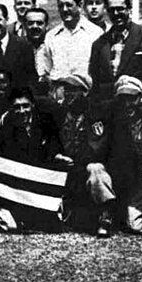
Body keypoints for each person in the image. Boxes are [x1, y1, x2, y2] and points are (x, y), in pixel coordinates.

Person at [49, 74, 114, 237]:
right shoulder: (60, 113)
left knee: (96, 169)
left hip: (83, 170)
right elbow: (51, 140)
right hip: (64, 169)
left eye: (73, 90)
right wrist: (57, 155)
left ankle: (104, 216)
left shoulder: (95, 116)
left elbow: (97, 148)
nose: (67, 94)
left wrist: (75, 162)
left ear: (84, 93)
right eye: (66, 90)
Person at [0, 86, 64, 231]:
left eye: (25, 106)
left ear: (32, 105)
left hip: (43, 175)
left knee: (52, 224)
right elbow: (6, 155)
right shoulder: (7, 124)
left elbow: (54, 145)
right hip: (20, 179)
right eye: (17, 107)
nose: (22, 111)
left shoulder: (45, 120)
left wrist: (56, 156)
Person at [105, 76, 142, 237]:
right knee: (134, 224)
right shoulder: (117, 123)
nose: (127, 105)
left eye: (131, 98)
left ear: (141, 98)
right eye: (123, 99)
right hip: (137, 180)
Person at [89, 0, 142, 102]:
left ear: (129, 9)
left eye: (120, 9)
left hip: (139, 107)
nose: (116, 14)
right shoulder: (99, 44)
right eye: (111, 10)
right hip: (109, 109)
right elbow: (96, 82)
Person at [37, 0, 102, 88]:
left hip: (85, 94)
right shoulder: (51, 36)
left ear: (80, 5)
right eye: (61, 6)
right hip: (58, 94)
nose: (65, 10)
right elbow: (46, 68)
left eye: (69, 5)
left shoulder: (95, 33)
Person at [25, 8, 48, 79]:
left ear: (47, 26)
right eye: (30, 23)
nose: (35, 26)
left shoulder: (54, 47)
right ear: (24, 25)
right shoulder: (17, 48)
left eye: (39, 23)